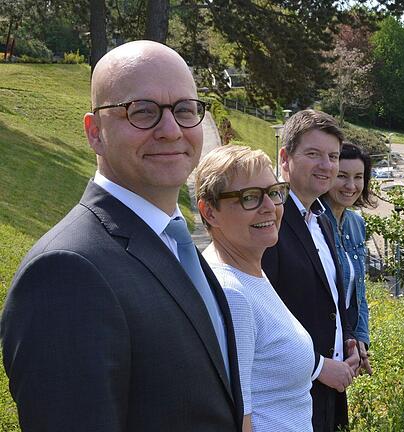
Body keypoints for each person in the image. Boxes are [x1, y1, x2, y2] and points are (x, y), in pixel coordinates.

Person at [0, 41, 243, 431]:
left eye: (184, 110)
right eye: (142, 111)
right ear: (95, 132)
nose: (171, 130)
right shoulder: (66, 272)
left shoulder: (177, 244)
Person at [195, 145, 314, 432]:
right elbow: (239, 419)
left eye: (274, 192)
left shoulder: (250, 272)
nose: (269, 207)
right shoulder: (231, 293)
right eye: (249, 197)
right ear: (209, 211)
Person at [262, 109, 360, 432]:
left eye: (332, 156)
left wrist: (349, 341)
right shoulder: (268, 220)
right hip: (289, 398)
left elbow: (331, 296)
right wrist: (320, 369)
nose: (326, 165)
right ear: (285, 157)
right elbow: (263, 317)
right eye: (313, 154)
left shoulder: (323, 219)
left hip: (330, 396)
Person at [321, 142, 376, 375]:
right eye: (342, 176)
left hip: (346, 343)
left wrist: (360, 340)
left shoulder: (356, 223)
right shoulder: (314, 222)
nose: (351, 186)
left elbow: (359, 292)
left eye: (358, 177)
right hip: (321, 343)